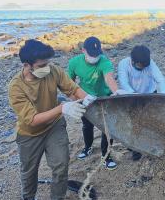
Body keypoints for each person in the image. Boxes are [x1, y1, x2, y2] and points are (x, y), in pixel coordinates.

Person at [8, 39, 89, 200]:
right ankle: (29, 197)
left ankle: (57, 197)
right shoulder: (16, 87)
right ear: (26, 65)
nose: (46, 68)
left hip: (54, 127)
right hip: (29, 134)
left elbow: (72, 88)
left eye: (47, 64)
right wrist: (62, 108)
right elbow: (32, 120)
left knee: (61, 165)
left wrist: (89, 99)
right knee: (29, 172)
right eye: (41, 66)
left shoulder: (53, 71)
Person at [68, 36, 118, 170]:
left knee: (107, 129)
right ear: (83, 50)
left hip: (104, 98)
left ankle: (106, 155)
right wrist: (75, 100)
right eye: (91, 54)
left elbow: (109, 78)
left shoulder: (104, 61)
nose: (94, 57)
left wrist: (117, 92)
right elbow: (68, 84)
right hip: (85, 98)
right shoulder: (74, 63)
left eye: (97, 54)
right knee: (87, 126)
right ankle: (87, 147)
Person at [118, 45, 165, 160]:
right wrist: (135, 96)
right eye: (140, 66)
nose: (143, 68)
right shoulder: (123, 64)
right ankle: (136, 149)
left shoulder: (150, 63)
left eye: (145, 66)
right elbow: (124, 83)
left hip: (149, 93)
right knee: (134, 123)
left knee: (152, 121)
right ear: (132, 60)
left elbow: (160, 79)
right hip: (131, 96)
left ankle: (153, 145)